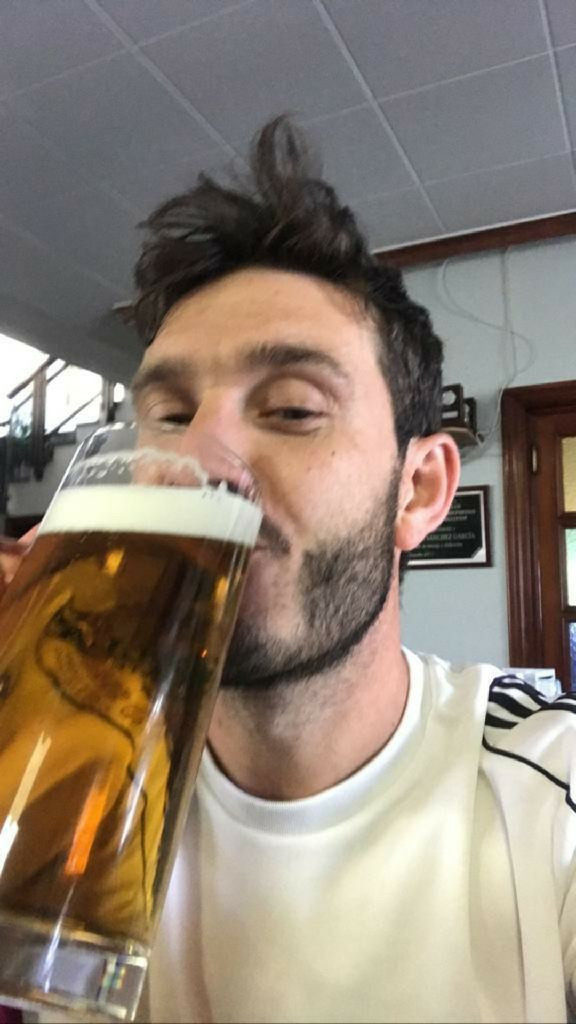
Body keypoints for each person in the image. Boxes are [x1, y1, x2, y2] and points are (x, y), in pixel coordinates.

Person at [1, 117, 575, 1024]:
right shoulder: (64, 786)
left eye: (293, 409)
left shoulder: (547, 794)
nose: (201, 459)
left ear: (420, 489)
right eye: (170, 414)